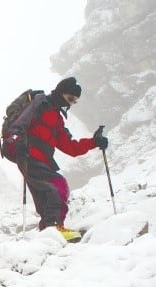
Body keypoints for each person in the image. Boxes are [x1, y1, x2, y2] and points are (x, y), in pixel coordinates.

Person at [6, 77, 108, 241]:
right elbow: (20, 123)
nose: (69, 104)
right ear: (61, 93)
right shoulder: (40, 102)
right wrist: (16, 140)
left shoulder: (58, 119)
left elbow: (70, 147)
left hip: (41, 160)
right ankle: (55, 227)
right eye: (69, 99)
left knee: (45, 196)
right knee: (57, 185)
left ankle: (47, 235)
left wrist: (94, 142)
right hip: (28, 154)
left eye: (73, 102)